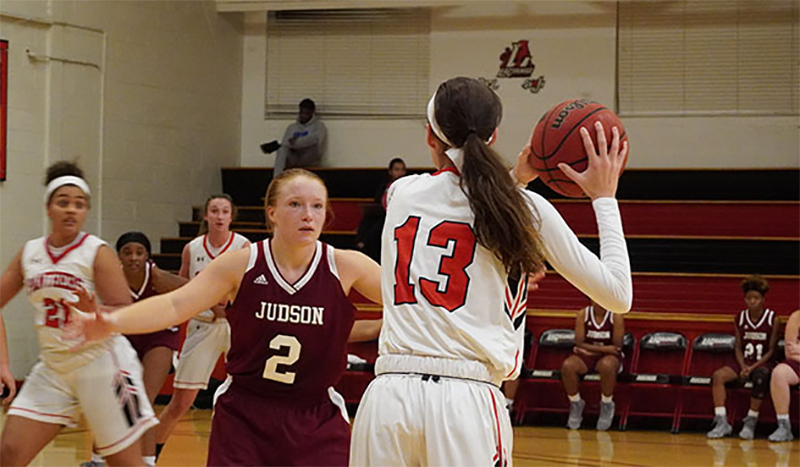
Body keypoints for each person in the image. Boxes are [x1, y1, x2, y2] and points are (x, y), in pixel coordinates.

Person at [350, 76, 632, 466]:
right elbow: (618, 294)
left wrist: (514, 180)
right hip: (464, 403)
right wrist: (604, 197)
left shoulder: (401, 194)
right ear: (494, 135)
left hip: (387, 400)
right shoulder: (526, 211)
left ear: (430, 136)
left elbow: (463, 210)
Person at [65, 169, 385, 466]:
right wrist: (111, 322)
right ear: (271, 212)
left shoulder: (346, 265)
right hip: (246, 415)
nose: (308, 214)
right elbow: (176, 305)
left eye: (317, 206)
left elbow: (408, 300)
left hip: (316, 416)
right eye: (295, 204)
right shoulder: (241, 265)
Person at [0, 161, 157, 466]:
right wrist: (3, 362)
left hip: (103, 367)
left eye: (79, 204)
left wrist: (96, 313)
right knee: (9, 452)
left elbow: (128, 311)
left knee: (124, 463)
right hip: (54, 367)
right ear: (48, 208)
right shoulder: (30, 252)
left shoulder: (96, 252)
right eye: (63, 202)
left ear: (86, 211)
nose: (71, 210)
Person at [81, 232, 190, 467]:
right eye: (127, 252)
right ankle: (97, 460)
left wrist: (216, 306)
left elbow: (191, 292)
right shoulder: (111, 278)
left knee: (144, 401)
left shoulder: (157, 277)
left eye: (139, 252)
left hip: (158, 336)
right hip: (125, 336)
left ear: (147, 256)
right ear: (118, 256)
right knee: (113, 400)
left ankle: (148, 462)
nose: (133, 257)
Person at [154, 194, 249, 459]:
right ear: (206, 216)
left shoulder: (243, 246)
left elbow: (251, 290)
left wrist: (226, 305)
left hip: (235, 327)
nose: (219, 216)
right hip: (202, 324)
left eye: (224, 211)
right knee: (181, 402)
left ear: (232, 217)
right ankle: (149, 457)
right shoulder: (192, 248)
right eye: (214, 211)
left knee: (249, 399)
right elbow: (182, 291)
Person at [707, 275, 780, 439]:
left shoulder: (773, 319)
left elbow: (771, 350)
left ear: (763, 299)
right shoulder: (739, 318)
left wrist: (752, 368)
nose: (752, 301)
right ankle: (721, 421)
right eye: (749, 298)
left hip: (762, 362)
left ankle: (750, 421)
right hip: (743, 361)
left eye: (756, 298)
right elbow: (738, 347)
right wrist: (742, 366)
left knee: (761, 378)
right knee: (718, 376)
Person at [561, 301, 625, 431]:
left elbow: (617, 347)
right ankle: (576, 403)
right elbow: (579, 342)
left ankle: (606, 404)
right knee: (568, 366)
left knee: (607, 366)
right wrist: (604, 348)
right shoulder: (583, 314)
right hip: (588, 357)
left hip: (608, 358)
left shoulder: (616, 316)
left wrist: (589, 349)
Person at [356, 157, 407, 262]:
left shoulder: (407, 188)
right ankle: (361, 244)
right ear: (390, 172)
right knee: (368, 219)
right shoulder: (383, 187)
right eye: (397, 170)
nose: (400, 173)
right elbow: (377, 203)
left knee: (379, 225)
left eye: (402, 170)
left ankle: (365, 244)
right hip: (382, 215)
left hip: (399, 217)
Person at [262, 98, 327, 176]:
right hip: (295, 157)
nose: (303, 115)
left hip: (309, 157)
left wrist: (296, 142)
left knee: (312, 144)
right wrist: (287, 144)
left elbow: (315, 141)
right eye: (302, 112)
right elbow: (286, 143)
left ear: (312, 113)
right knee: (282, 149)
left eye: (306, 113)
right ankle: (276, 178)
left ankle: (276, 146)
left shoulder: (319, 126)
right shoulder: (292, 127)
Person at [768, 309, 799, 442]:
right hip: (798, 362)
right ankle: (784, 426)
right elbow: (790, 352)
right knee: (779, 373)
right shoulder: (796, 317)